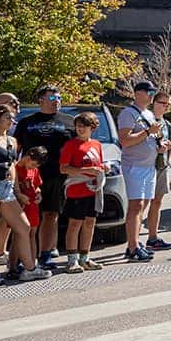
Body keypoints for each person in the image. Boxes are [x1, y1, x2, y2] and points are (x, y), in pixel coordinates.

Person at [0, 104, 50, 284]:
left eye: (12, 118)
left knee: (23, 226)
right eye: (7, 118)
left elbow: (12, 165)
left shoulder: (12, 141)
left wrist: (16, 190)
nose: (11, 121)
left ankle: (29, 269)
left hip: (6, 188)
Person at [13, 85, 74, 269]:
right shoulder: (26, 122)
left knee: (51, 214)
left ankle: (45, 255)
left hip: (57, 175)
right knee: (27, 219)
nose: (57, 101)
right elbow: (16, 149)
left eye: (59, 98)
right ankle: (23, 259)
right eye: (53, 98)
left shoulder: (69, 121)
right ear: (41, 100)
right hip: (29, 177)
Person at [117, 81, 161, 261]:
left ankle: (135, 241)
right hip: (134, 166)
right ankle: (132, 247)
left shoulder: (149, 114)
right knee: (136, 206)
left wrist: (160, 145)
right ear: (137, 93)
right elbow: (125, 140)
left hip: (149, 166)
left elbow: (150, 137)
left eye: (153, 92)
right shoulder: (128, 114)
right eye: (148, 91)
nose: (151, 95)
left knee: (143, 205)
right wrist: (147, 132)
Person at [60, 112, 106, 273]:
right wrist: (88, 170)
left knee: (90, 223)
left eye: (83, 126)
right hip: (76, 190)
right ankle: (72, 260)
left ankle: (84, 257)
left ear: (92, 128)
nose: (79, 129)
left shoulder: (97, 144)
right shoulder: (71, 145)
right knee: (75, 224)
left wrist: (102, 169)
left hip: (92, 190)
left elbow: (98, 165)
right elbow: (64, 168)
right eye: (78, 126)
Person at [7, 146, 46, 280]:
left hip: (32, 206)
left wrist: (39, 194)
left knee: (32, 235)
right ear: (28, 158)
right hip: (19, 206)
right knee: (17, 236)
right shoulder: (16, 168)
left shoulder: (34, 169)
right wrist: (20, 197)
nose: (33, 167)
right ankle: (12, 266)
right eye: (33, 164)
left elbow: (37, 185)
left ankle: (32, 264)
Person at [145, 91, 171, 251]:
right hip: (147, 166)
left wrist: (170, 156)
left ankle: (153, 237)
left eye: (167, 104)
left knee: (157, 203)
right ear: (154, 102)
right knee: (142, 204)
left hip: (162, 166)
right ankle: (134, 240)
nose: (164, 107)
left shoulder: (167, 124)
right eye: (162, 103)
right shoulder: (147, 121)